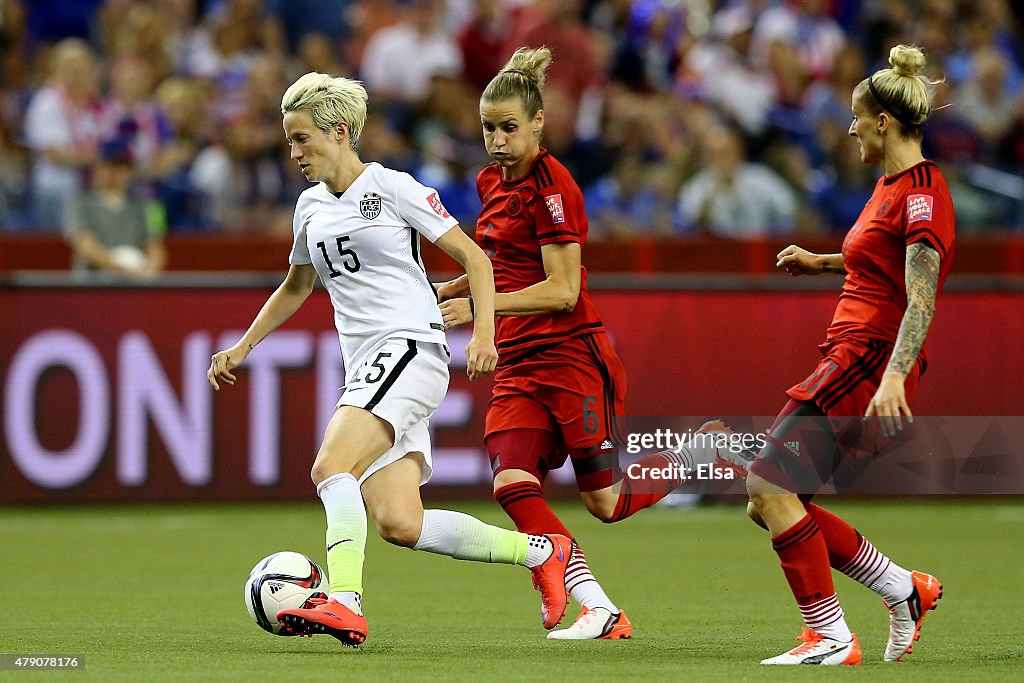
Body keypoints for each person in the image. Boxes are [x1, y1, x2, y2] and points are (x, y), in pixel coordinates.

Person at [207, 72, 572, 648]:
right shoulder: (309, 209)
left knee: (331, 468)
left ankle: (345, 602)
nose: (294, 153)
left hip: (409, 345)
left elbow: (476, 260)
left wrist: (483, 336)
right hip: (370, 363)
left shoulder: (395, 187)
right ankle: (542, 552)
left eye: (302, 139)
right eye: (289, 141)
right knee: (402, 523)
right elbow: (296, 286)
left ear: (340, 130)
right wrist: (244, 345)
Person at [437, 47, 730, 640]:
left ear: (538, 123)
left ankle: (701, 451)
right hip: (520, 362)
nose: (496, 140)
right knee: (511, 483)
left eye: (509, 128)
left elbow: (564, 290)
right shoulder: (489, 180)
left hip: (571, 357)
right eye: (488, 128)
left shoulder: (554, 187)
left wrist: (479, 308)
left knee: (606, 503)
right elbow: (499, 260)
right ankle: (596, 605)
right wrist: (456, 284)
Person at [741, 45, 952, 665]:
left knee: (768, 484)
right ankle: (901, 588)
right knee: (772, 501)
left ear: (884, 121)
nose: (851, 127)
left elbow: (921, 296)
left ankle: (830, 637)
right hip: (850, 351)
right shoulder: (891, 186)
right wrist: (821, 261)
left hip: (867, 359)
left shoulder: (923, 194)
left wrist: (892, 378)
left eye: (857, 117)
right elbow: (879, 262)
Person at [64, 137, 166, 276]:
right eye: (110, 166)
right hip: (93, 284)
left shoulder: (143, 204)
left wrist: (149, 269)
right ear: (99, 167)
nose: (116, 173)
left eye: (123, 167)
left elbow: (154, 245)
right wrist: (121, 268)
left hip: (132, 285)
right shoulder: (81, 202)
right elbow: (85, 244)